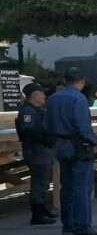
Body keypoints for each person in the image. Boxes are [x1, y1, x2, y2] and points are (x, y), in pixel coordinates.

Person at [43, 67, 97, 235]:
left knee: (67, 186)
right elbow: (82, 126)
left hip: (60, 145)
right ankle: (83, 225)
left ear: (65, 80)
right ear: (82, 81)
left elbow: (47, 124)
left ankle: (68, 225)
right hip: (78, 145)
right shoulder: (79, 98)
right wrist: (93, 141)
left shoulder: (53, 99)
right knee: (82, 187)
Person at [16, 82, 57, 225]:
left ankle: (43, 208)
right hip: (37, 150)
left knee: (44, 182)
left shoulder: (37, 110)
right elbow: (29, 131)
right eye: (42, 93)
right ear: (34, 95)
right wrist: (46, 135)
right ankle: (37, 213)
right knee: (39, 183)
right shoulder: (28, 111)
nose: (45, 96)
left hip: (42, 150)